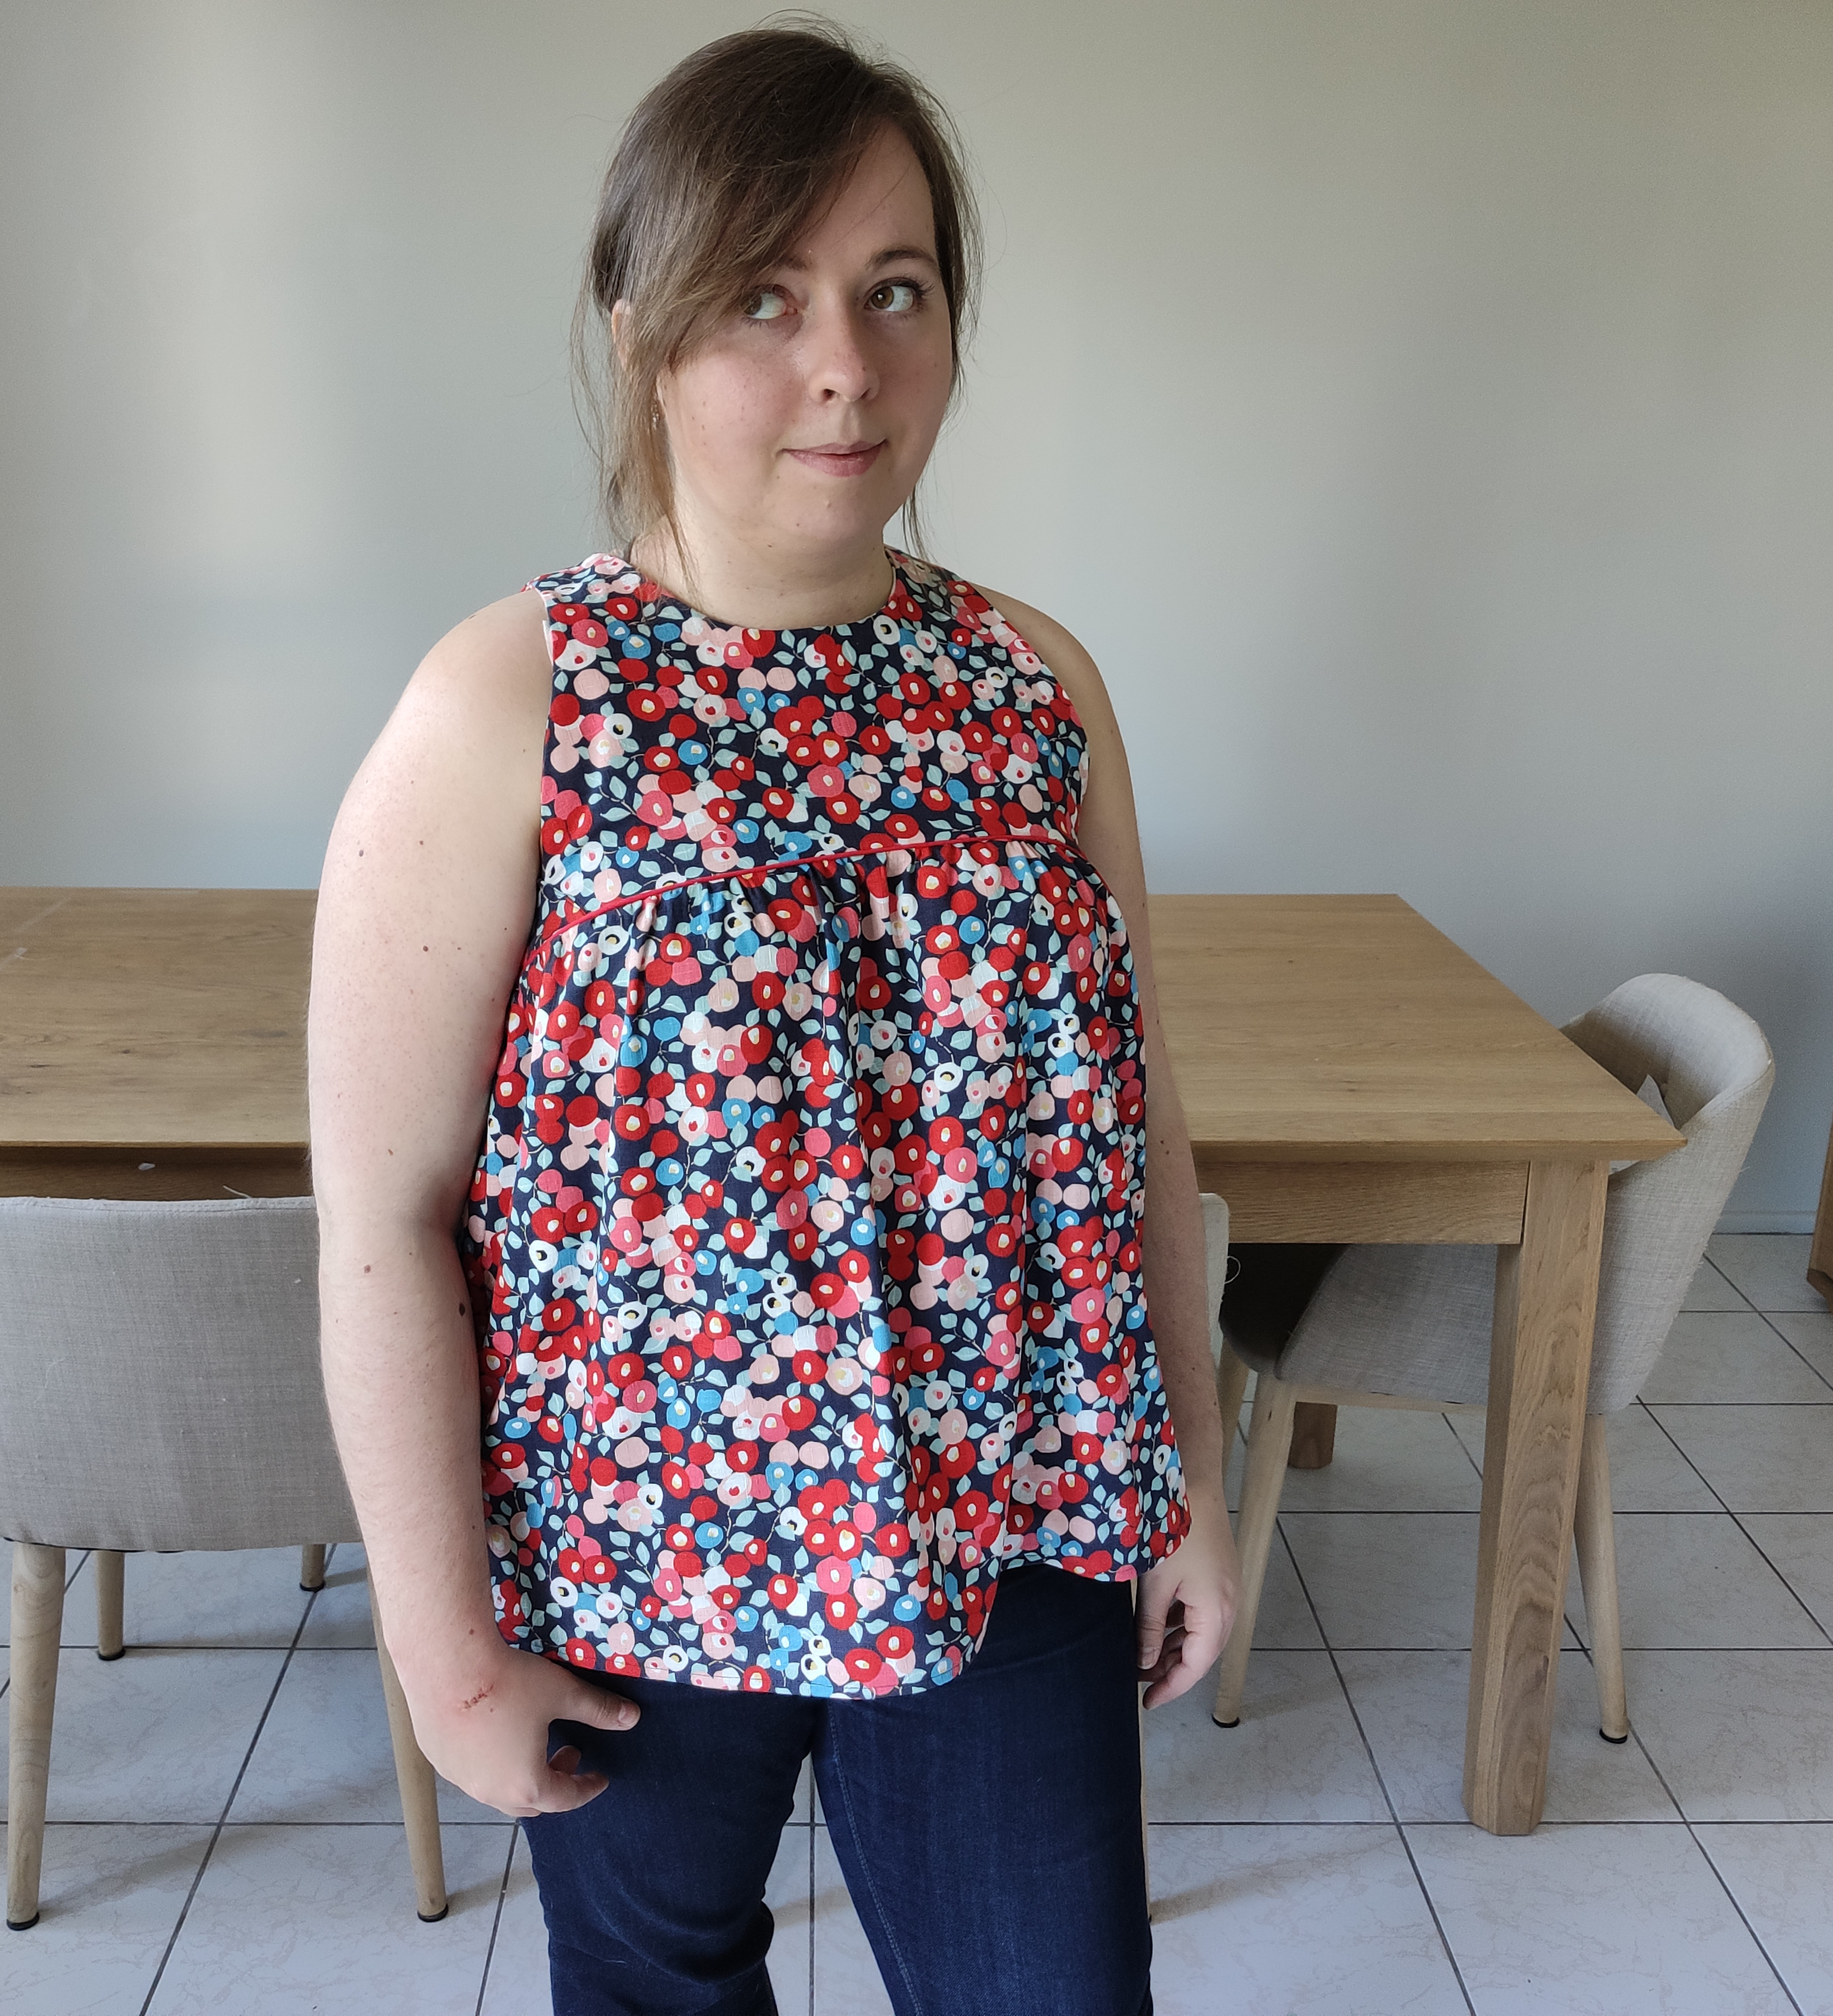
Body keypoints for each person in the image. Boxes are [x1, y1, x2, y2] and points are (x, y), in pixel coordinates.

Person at [308, 22, 1239, 2015]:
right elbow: (384, 1217)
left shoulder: (1034, 690)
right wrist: (442, 1644)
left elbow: (1137, 1136)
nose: (846, 365)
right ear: (637, 327)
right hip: (641, 1553)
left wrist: (1190, 1499)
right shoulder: (507, 704)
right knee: (660, 1986)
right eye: (762, 296)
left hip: (1013, 1524)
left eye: (896, 290)